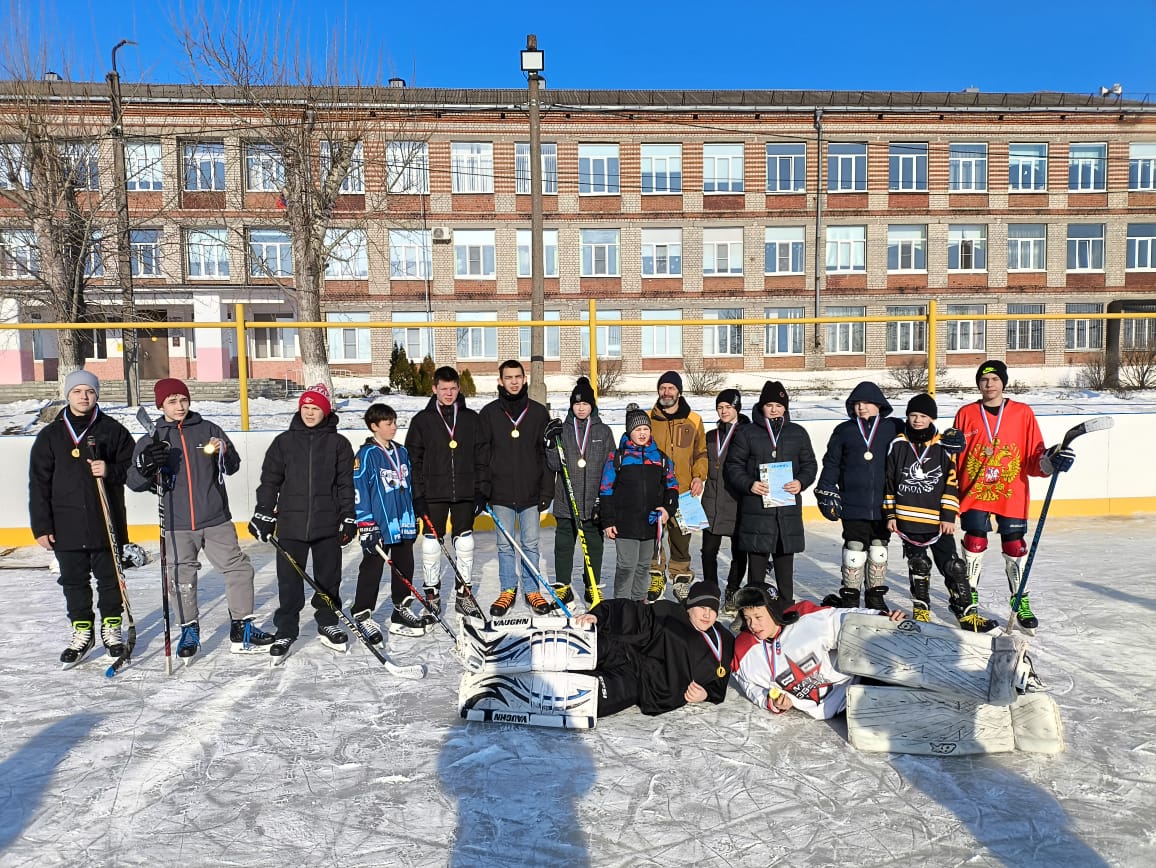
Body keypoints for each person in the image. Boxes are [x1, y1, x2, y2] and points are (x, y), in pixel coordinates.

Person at [126, 378, 274, 661]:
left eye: (183, 400)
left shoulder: (209, 430)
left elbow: (233, 467)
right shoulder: (151, 438)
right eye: (172, 401)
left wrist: (224, 452)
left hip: (215, 518)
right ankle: (189, 629)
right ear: (161, 405)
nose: (179, 406)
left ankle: (241, 626)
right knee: (181, 578)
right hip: (176, 522)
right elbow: (133, 482)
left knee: (239, 570)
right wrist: (146, 466)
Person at [952, 360, 1075, 631]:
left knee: (1015, 546)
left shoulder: (1022, 413)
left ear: (1003, 382)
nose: (989, 384)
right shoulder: (966, 413)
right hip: (975, 491)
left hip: (1012, 493)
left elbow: (1034, 456)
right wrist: (949, 494)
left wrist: (1051, 461)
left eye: (995, 379)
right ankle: (969, 599)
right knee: (973, 543)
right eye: (984, 380)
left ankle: (1020, 600)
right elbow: (955, 458)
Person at [29, 371, 135, 668]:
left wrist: (110, 470)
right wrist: (41, 526)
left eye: (89, 391)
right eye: (77, 391)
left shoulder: (113, 431)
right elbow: (38, 484)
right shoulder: (50, 436)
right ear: (68, 394)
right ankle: (82, 631)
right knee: (74, 581)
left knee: (111, 580)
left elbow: (134, 469)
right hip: (65, 524)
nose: (83, 396)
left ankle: (111, 628)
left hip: (106, 521)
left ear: (97, 394)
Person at [248, 384, 357, 660]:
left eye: (316, 408)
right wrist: (263, 511)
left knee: (328, 579)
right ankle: (286, 628)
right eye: (305, 407)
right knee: (289, 582)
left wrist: (348, 516)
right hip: (291, 524)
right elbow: (270, 481)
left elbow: (345, 484)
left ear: (326, 411)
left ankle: (328, 622)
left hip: (327, 523)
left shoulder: (339, 444)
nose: (310, 413)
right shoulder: (284, 442)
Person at [882, 393, 995, 631]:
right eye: (913, 415)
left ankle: (965, 612)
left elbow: (951, 483)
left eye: (923, 416)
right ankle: (921, 610)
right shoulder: (898, 444)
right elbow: (889, 482)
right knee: (918, 565)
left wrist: (948, 516)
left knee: (954, 566)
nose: (917, 420)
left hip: (937, 521)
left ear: (931, 418)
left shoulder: (943, 446)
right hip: (907, 519)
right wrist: (891, 515)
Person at [730, 585, 906, 720]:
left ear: (774, 612)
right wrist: (770, 701)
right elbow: (748, 684)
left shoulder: (806, 620)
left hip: (857, 681)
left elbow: (844, 619)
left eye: (758, 617)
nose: (753, 625)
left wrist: (883, 619)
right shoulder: (744, 651)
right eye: (747, 619)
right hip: (843, 711)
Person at [573, 581, 735, 716]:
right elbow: (632, 612)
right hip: (624, 651)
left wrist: (706, 694)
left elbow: (720, 678)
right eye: (702, 608)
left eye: (712, 610)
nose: (707, 615)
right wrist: (600, 616)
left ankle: (563, 694)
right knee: (594, 647)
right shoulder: (669, 614)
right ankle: (559, 653)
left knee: (595, 696)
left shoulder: (724, 640)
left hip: (641, 682)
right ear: (690, 606)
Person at [724, 381, 817, 607]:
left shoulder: (797, 433)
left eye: (778, 404)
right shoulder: (747, 433)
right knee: (756, 575)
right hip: (757, 512)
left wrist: (801, 482)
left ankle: (785, 610)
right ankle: (754, 612)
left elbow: (810, 465)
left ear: (785, 407)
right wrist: (750, 484)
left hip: (787, 513)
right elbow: (733, 466)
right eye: (769, 404)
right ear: (761, 406)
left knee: (785, 573)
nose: (774, 409)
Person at [815, 382, 905, 612]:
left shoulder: (894, 428)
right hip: (852, 502)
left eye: (866, 403)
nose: (861, 408)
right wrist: (826, 488)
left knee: (879, 548)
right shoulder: (844, 430)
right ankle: (851, 595)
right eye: (856, 404)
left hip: (884, 503)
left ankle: (875, 596)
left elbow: (918, 442)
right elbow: (832, 463)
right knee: (854, 549)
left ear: (879, 404)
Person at [477, 360, 554, 616]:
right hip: (500, 493)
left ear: (524, 379)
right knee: (505, 545)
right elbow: (482, 455)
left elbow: (545, 455)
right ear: (500, 381)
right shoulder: (488, 414)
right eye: (508, 377)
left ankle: (532, 590)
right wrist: (484, 489)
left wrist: (546, 491)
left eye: (517, 377)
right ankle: (508, 589)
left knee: (531, 544)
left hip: (530, 493)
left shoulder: (538, 413)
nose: (513, 381)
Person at [352, 403, 435, 642]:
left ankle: (400, 609)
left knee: (404, 566)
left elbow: (409, 484)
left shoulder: (402, 451)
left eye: (395, 422)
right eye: (388, 424)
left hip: (403, 521)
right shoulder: (366, 454)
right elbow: (360, 490)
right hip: (379, 524)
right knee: (372, 568)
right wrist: (366, 523)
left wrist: (415, 510)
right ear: (374, 426)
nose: (394, 427)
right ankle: (362, 613)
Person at [407, 366, 486, 616]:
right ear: (434, 389)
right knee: (430, 543)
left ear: (458, 389)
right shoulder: (422, 420)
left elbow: (482, 457)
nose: (449, 393)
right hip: (433, 492)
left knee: (465, 542)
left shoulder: (471, 419)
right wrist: (417, 495)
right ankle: (432, 592)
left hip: (464, 491)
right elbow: (413, 460)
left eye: (453, 388)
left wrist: (482, 490)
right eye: (444, 389)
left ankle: (464, 593)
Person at [544, 377, 614, 604]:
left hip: (594, 500)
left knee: (594, 545)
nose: (581, 408)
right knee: (563, 544)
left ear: (592, 405)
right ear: (571, 406)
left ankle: (590, 584)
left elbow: (610, 464)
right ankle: (563, 585)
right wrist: (550, 444)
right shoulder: (562, 430)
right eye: (576, 404)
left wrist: (605, 497)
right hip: (566, 499)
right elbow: (554, 464)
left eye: (585, 404)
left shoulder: (603, 431)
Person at [598, 406, 679, 601]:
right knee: (626, 566)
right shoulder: (617, 458)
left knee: (644, 566)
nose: (642, 433)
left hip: (650, 524)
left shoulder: (660, 458)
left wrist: (667, 509)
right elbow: (606, 490)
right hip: (624, 524)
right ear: (629, 432)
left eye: (645, 429)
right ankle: (622, 605)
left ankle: (639, 606)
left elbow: (672, 487)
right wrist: (608, 521)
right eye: (637, 430)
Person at [646, 371, 708, 603]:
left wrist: (699, 477)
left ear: (679, 392)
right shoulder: (648, 418)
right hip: (655, 489)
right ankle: (655, 573)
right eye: (663, 388)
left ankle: (681, 575)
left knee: (682, 536)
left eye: (671, 388)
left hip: (683, 490)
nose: (666, 392)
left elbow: (701, 452)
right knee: (654, 534)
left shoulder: (694, 420)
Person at [701, 388, 749, 612]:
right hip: (712, 500)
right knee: (708, 550)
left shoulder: (747, 434)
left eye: (728, 407)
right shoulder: (711, 436)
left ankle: (732, 589)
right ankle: (711, 590)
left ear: (737, 408)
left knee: (739, 551)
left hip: (738, 502)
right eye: (720, 407)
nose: (724, 411)